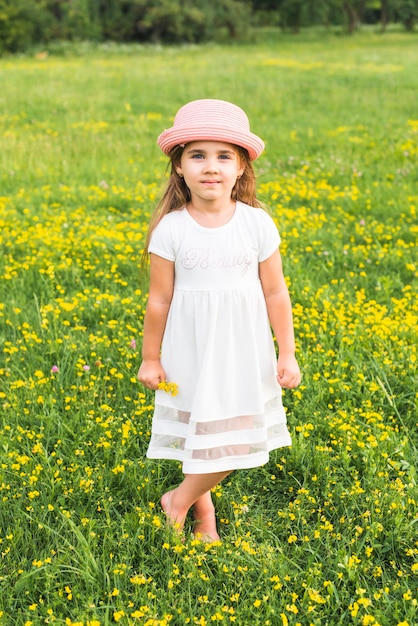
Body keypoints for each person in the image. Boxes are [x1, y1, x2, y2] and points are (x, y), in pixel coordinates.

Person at [137, 99, 301, 542]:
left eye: (224, 155)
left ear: (242, 167)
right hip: (189, 347)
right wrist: (150, 359)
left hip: (243, 349)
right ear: (178, 167)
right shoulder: (171, 229)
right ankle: (201, 512)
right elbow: (159, 300)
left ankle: (179, 499)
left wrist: (286, 351)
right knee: (200, 430)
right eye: (198, 155)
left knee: (234, 439)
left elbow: (275, 291)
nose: (211, 166)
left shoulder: (256, 224)